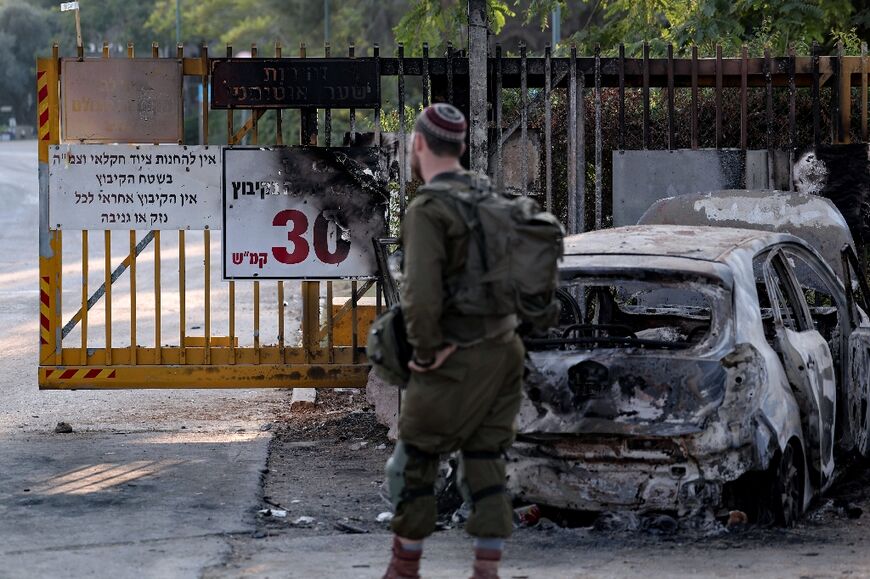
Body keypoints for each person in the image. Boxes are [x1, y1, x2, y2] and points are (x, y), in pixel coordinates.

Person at [383, 103, 525, 579]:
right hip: (504, 352)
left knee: (415, 462)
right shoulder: (492, 200)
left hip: (452, 354)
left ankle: (404, 569)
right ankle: (486, 569)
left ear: (419, 145)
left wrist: (426, 351)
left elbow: (420, 294)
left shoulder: (428, 209)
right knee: (486, 461)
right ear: (462, 148)